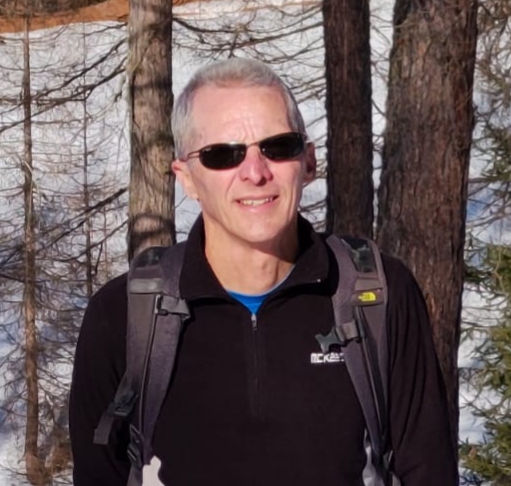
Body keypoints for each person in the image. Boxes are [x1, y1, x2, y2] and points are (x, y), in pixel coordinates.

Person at [69, 57, 458, 486]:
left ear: (308, 162)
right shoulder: (123, 317)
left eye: (278, 147)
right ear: (187, 178)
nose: (255, 173)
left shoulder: (377, 297)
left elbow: (429, 471)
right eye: (222, 155)